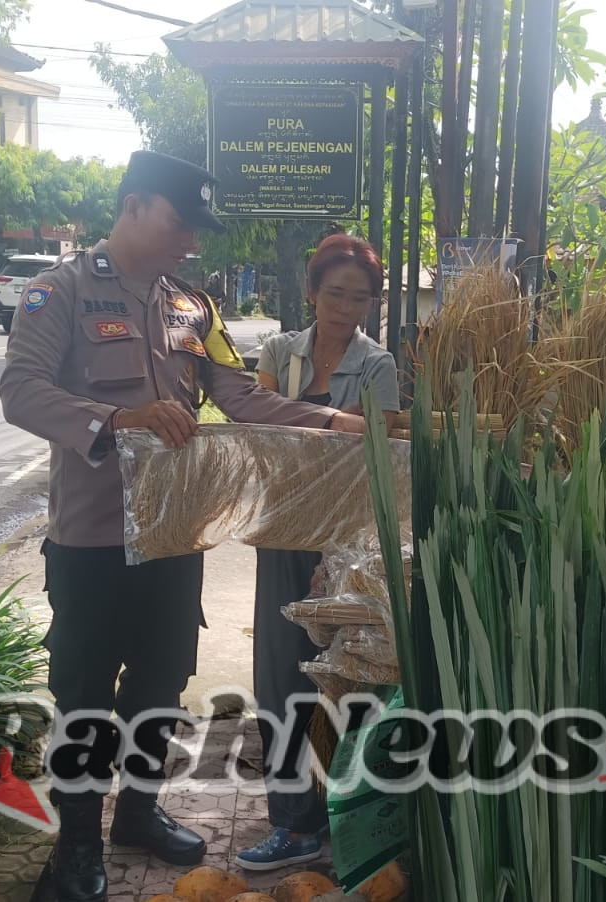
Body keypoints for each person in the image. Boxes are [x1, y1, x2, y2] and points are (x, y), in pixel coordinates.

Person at [0, 150, 368, 902]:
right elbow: (21, 392)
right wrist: (116, 419)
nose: (191, 242)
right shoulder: (58, 291)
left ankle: (137, 815)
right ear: (134, 206)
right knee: (84, 694)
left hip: (174, 535)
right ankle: (77, 844)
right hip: (92, 541)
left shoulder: (194, 309)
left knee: (163, 683)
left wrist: (333, 423)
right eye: (180, 223)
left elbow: (241, 395)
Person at [235, 234, 399, 871]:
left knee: (347, 675)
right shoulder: (280, 350)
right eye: (335, 294)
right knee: (280, 677)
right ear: (312, 292)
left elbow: (374, 452)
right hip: (282, 532)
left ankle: (345, 815)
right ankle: (293, 823)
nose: (346, 308)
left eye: (359, 298)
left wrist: (301, 422)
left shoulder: (378, 364)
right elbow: (257, 431)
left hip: (347, 544)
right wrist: (336, 421)